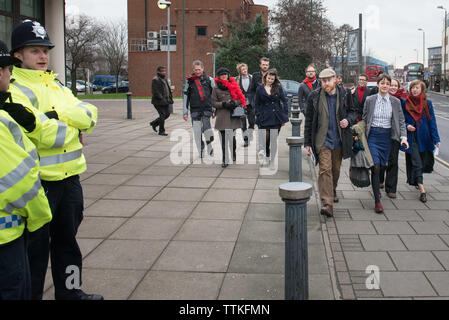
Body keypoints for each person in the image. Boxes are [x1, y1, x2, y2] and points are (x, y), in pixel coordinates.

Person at [8, 20, 102, 300]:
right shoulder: (13, 91)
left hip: (70, 181)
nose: (43, 56)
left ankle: (71, 293)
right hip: (39, 185)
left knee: (67, 244)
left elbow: (90, 116)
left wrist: (56, 118)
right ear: (18, 55)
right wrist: (69, 124)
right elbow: (44, 136)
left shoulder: (57, 84)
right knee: (34, 251)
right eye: (35, 51)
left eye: (45, 50)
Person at [0, 39, 52, 300]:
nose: (9, 76)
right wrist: (40, 216)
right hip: (6, 234)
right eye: (7, 69)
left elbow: (86, 114)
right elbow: (20, 181)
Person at [304, 68, 354, 218]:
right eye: (323, 81)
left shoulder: (345, 94)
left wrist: (348, 120)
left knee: (336, 170)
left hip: (339, 140)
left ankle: (332, 190)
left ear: (335, 79)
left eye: (328, 80)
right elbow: (309, 121)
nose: (326, 83)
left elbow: (354, 111)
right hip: (322, 140)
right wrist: (307, 142)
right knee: (325, 170)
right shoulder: (315, 96)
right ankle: (327, 203)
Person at [361, 74, 408, 214]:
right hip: (373, 137)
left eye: (387, 83)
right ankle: (377, 201)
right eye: (382, 83)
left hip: (387, 138)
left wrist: (403, 137)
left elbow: (400, 121)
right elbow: (365, 118)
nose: (385, 85)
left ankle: (376, 187)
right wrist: (359, 135)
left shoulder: (395, 102)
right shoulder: (370, 100)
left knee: (382, 166)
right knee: (375, 166)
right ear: (378, 84)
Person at [401, 80, 440, 203]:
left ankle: (417, 180)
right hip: (411, 139)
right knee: (416, 162)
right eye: (412, 87)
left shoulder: (427, 104)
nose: (414, 90)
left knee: (422, 163)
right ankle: (423, 191)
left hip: (424, 138)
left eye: (417, 87)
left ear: (422, 89)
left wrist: (436, 139)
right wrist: (407, 126)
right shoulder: (406, 103)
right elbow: (401, 120)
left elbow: (432, 122)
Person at [254, 69, 289, 168]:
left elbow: (284, 101)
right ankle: (265, 155)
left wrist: (285, 114)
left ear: (275, 79)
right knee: (265, 139)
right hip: (263, 117)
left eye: (272, 79)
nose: (270, 80)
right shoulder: (260, 88)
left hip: (276, 117)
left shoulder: (278, 88)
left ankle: (272, 160)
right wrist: (258, 114)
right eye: (269, 78)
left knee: (273, 140)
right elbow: (256, 103)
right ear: (265, 77)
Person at [379, 78, 407, 198]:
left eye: (396, 86)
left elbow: (401, 120)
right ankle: (380, 180)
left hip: (394, 135)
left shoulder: (398, 101)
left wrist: (403, 136)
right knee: (380, 162)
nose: (394, 87)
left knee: (393, 161)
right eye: (392, 85)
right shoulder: (379, 99)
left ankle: (391, 188)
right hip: (381, 134)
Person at [212, 68, 246, 168]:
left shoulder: (234, 85)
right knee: (224, 139)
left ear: (228, 75)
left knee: (232, 138)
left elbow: (241, 99)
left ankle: (233, 152)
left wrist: (233, 103)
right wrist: (223, 104)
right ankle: (225, 159)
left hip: (233, 116)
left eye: (225, 74)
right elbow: (213, 102)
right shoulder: (215, 88)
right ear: (218, 76)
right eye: (221, 74)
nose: (223, 76)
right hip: (222, 116)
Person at [183, 60, 215, 159]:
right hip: (194, 110)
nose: (197, 71)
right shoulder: (189, 81)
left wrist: (214, 109)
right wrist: (185, 112)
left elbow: (214, 95)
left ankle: (209, 145)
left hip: (207, 109)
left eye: (199, 69)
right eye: (195, 70)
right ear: (193, 69)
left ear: (203, 68)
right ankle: (200, 150)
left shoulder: (209, 80)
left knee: (206, 129)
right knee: (197, 132)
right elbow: (185, 97)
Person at [150, 66, 173, 136]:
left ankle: (154, 123)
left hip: (165, 101)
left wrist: (170, 97)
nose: (164, 72)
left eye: (164, 71)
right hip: (158, 101)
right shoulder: (155, 80)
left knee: (167, 114)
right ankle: (161, 131)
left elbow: (168, 89)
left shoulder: (164, 79)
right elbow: (155, 91)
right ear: (158, 72)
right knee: (162, 115)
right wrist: (161, 98)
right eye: (162, 71)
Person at [235, 63, 253, 147]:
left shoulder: (252, 78)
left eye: (245, 69)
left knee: (252, 122)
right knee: (243, 124)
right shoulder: (237, 79)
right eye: (243, 69)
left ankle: (249, 134)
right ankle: (246, 140)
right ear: (240, 71)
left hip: (251, 103)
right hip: (240, 104)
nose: (245, 70)